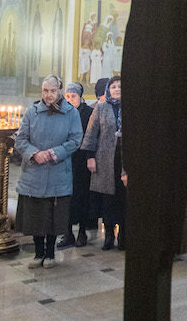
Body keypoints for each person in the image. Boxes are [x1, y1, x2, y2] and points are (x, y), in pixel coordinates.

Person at [13, 75, 83, 268]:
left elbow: (75, 140)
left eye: (52, 91)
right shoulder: (32, 111)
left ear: (59, 91)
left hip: (57, 170)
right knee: (36, 216)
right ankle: (38, 254)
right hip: (34, 172)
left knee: (53, 216)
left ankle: (50, 254)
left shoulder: (71, 113)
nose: (49, 95)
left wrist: (54, 152)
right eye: (45, 91)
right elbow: (21, 140)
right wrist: (34, 153)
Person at [81, 76, 127, 250]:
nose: (117, 89)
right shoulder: (101, 108)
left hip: (125, 161)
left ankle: (124, 236)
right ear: (108, 89)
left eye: (120, 86)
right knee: (108, 200)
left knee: (124, 199)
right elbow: (91, 133)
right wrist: (90, 157)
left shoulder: (132, 108)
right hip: (105, 159)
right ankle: (108, 235)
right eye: (114, 86)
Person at [58, 82, 95, 248]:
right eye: (67, 96)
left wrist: (89, 156)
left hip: (81, 160)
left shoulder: (88, 112)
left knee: (82, 197)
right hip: (65, 159)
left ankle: (82, 232)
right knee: (65, 197)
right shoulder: (61, 112)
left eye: (73, 96)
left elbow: (91, 135)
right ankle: (67, 233)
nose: (70, 99)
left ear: (80, 97)